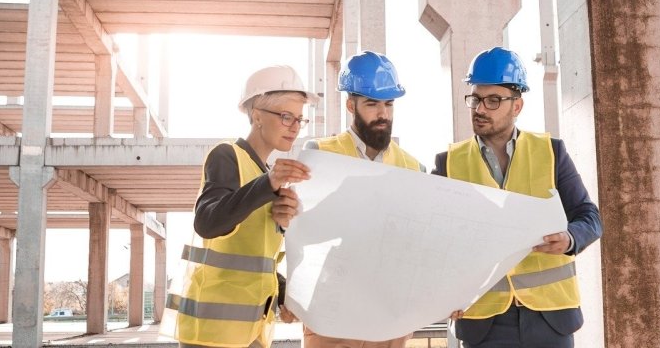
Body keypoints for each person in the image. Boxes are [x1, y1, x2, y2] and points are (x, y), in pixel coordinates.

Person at [433, 47, 603, 347]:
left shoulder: (551, 152)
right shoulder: (449, 163)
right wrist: (441, 294)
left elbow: (589, 217)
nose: (480, 109)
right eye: (475, 99)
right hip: (483, 323)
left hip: (551, 319)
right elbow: (432, 237)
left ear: (517, 106)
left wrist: (569, 238)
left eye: (493, 100)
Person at [164, 65, 315, 348]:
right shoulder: (227, 156)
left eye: (299, 119)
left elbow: (254, 262)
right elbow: (208, 222)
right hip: (211, 331)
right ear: (257, 115)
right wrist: (268, 184)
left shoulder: (265, 176)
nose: (294, 126)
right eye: (286, 116)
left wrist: (285, 295)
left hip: (249, 332)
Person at [300, 51, 424, 347]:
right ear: (350, 105)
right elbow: (301, 232)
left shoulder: (413, 168)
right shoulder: (320, 154)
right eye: (372, 104)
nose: (383, 114)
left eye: (389, 104)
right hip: (331, 315)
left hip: (389, 318)